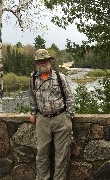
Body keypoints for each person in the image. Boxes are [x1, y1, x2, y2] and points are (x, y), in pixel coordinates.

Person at [29, 49, 75, 180]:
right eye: (39, 61)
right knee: (41, 153)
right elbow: (32, 97)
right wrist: (33, 113)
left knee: (62, 155)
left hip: (61, 119)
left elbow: (69, 96)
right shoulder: (33, 78)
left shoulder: (60, 77)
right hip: (42, 119)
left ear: (49, 61)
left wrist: (69, 116)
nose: (42, 63)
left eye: (44, 60)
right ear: (36, 62)